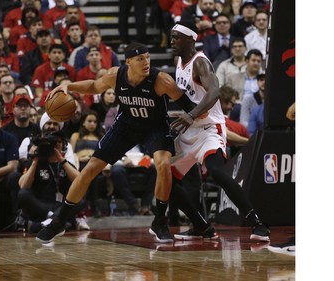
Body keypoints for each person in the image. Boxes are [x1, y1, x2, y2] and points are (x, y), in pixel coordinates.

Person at [36, 42, 200, 243]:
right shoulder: (115, 75)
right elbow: (94, 86)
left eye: (148, 57)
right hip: (126, 126)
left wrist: (205, 118)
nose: (146, 62)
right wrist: (67, 85)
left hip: (155, 127)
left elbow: (189, 106)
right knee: (90, 169)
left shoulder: (161, 80)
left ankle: (159, 220)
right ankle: (60, 220)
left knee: (164, 164)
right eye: (140, 59)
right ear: (128, 62)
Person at [169, 20, 270, 242]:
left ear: (190, 39)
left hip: (208, 128)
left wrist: (191, 115)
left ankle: (257, 223)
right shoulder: (179, 62)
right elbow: (190, 97)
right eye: (172, 36)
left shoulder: (200, 63)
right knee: (166, 178)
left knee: (217, 172)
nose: (172, 41)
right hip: (190, 130)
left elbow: (214, 92)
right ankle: (201, 225)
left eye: (177, 37)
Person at [17, 128, 88, 233]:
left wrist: (61, 159)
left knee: (80, 197)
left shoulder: (65, 163)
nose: (56, 145)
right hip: (41, 205)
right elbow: (23, 185)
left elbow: (81, 181)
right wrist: (36, 160)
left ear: (63, 145)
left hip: (61, 206)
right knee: (23, 194)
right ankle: (55, 219)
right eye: (53, 142)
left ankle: (46, 223)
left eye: (58, 142)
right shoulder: (36, 162)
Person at [0, 108, 22, 231]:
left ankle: (16, 219)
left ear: (1, 122)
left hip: (3, 179)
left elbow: (12, 166)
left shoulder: (9, 138)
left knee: (15, 176)